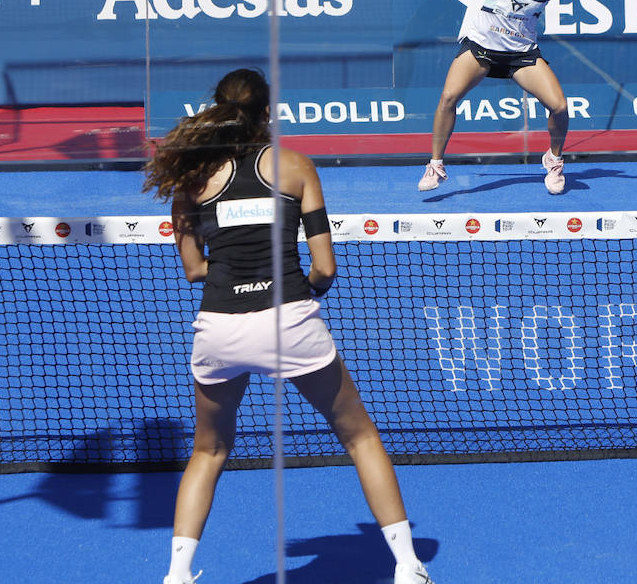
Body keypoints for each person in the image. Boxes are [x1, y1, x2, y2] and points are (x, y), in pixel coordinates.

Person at [143, 68, 433, 584]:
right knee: (360, 437)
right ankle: (409, 567)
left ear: (217, 108)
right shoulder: (296, 167)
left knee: (207, 451)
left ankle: (177, 575)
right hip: (291, 324)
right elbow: (324, 267)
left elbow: (194, 269)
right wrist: (296, 293)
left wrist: (237, 280)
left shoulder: (190, 182)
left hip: (220, 330)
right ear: (267, 113)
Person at [386, 0, 624, 195]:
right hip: (481, 49)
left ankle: (554, 159)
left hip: (521, 57)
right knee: (448, 97)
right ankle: (435, 164)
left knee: (560, 107)